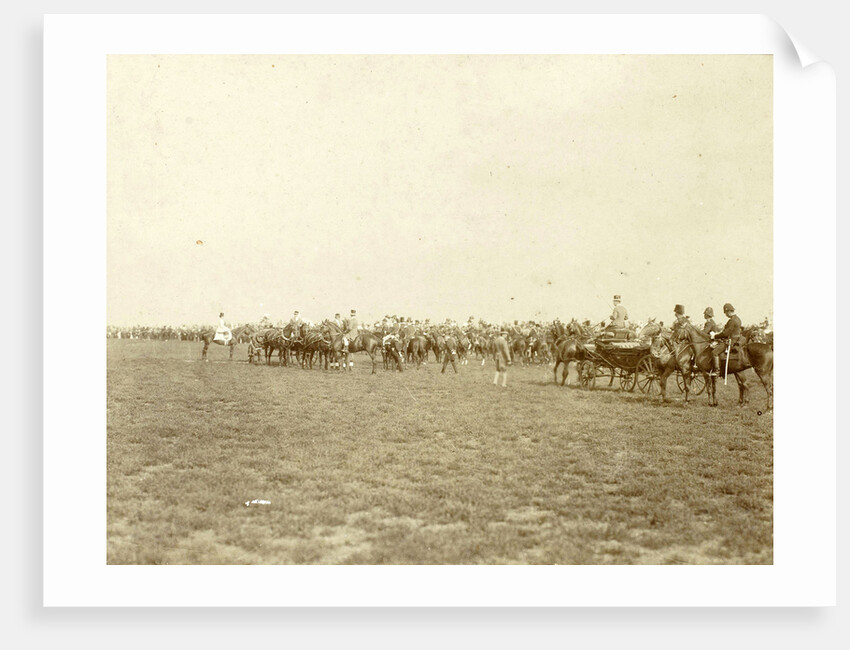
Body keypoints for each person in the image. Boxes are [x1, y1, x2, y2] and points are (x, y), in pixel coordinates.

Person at [711, 303, 743, 376]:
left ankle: (717, 371)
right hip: (736, 339)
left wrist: (715, 336)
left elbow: (725, 334)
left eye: (725, 313)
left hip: (731, 341)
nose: (725, 315)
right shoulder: (738, 319)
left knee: (714, 352)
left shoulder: (732, 321)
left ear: (728, 311)